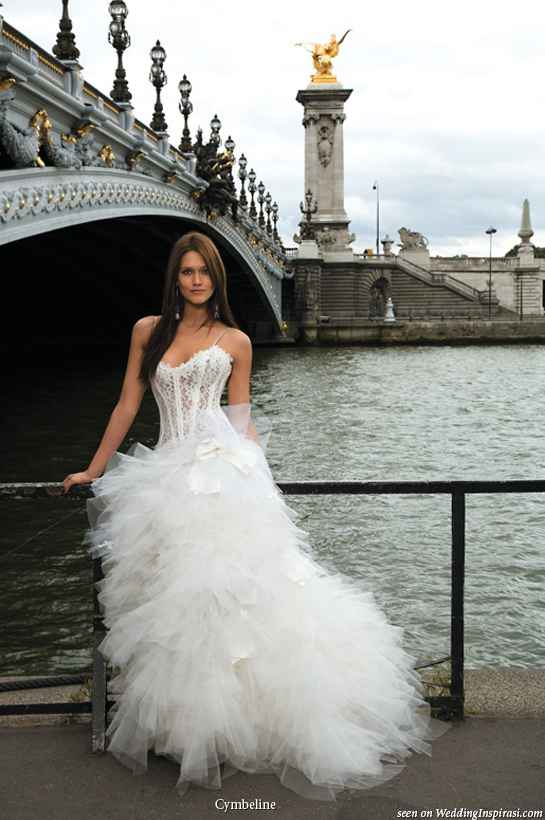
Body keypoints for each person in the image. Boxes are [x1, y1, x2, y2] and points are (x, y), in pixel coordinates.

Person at [64, 231, 442, 800]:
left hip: (221, 475)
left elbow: (240, 419)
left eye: (205, 272)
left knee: (230, 602)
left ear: (217, 277)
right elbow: (127, 404)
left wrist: (260, 479)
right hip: (166, 473)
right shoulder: (148, 331)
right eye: (186, 272)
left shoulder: (235, 340)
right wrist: (94, 470)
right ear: (175, 278)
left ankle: (224, 727)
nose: (196, 281)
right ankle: (186, 724)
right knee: (175, 605)